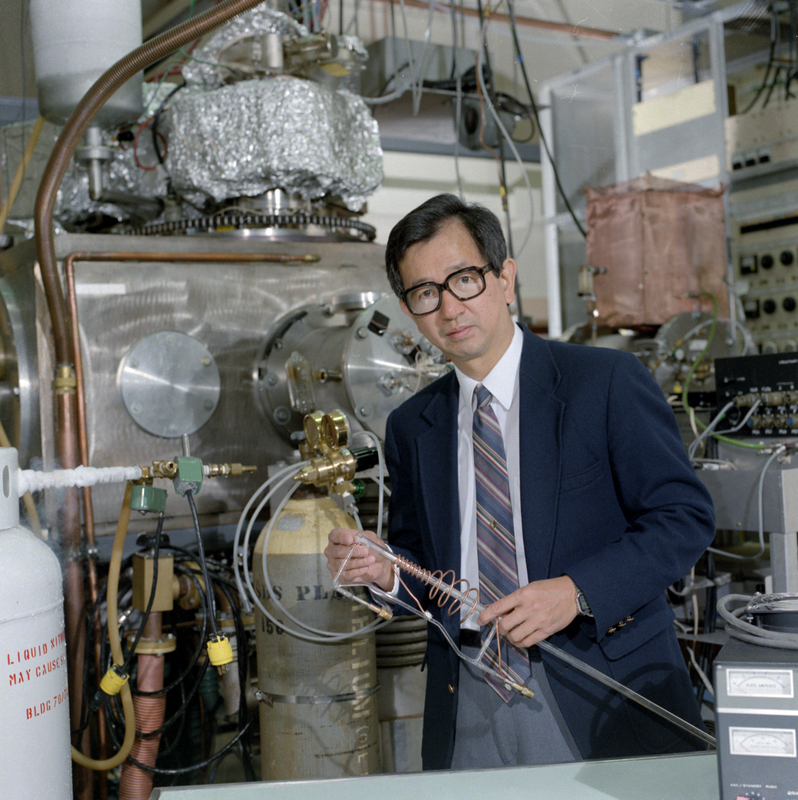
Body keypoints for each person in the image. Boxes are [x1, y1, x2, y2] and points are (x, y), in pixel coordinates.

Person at [324, 193, 715, 770]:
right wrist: (387, 571)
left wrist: (577, 590)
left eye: (464, 279)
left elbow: (683, 517)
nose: (449, 307)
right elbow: (427, 570)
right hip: (469, 700)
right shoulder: (412, 425)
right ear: (409, 310)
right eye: (425, 293)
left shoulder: (602, 384)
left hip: (600, 687)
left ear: (505, 278)